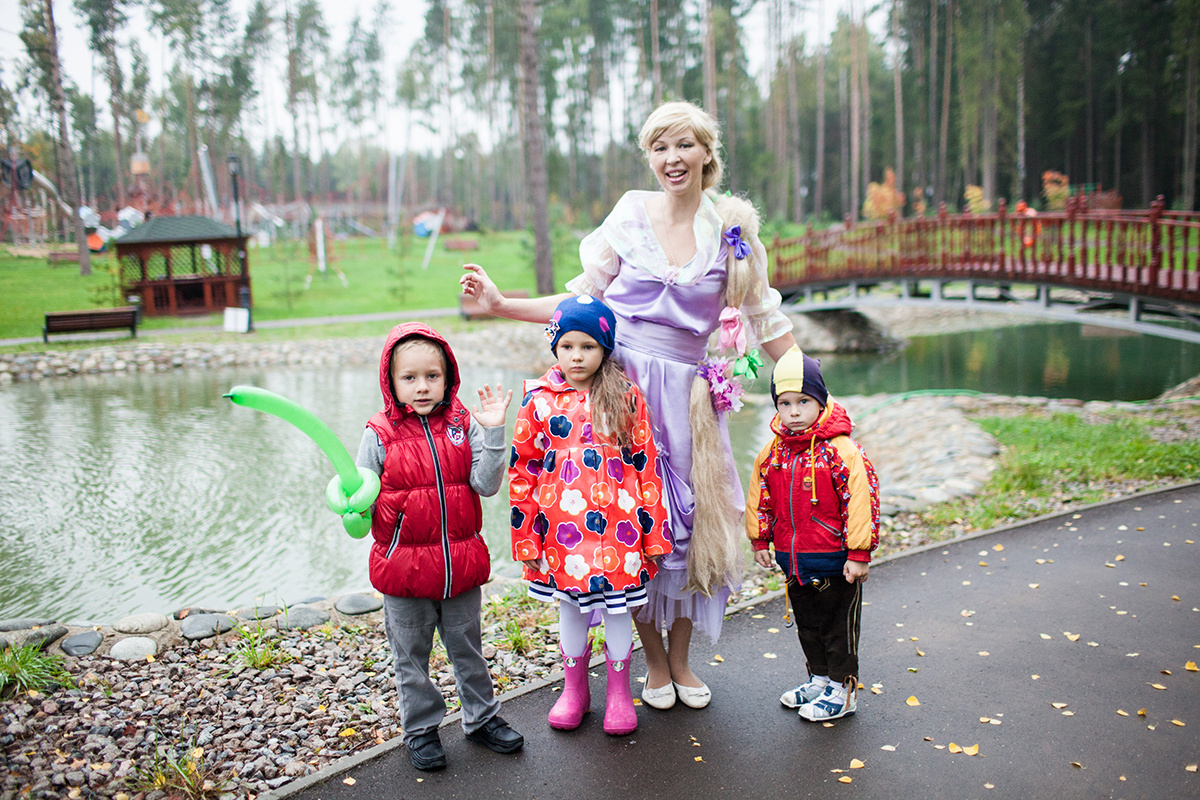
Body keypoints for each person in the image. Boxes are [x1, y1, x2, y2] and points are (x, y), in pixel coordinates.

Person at [460, 100, 798, 710]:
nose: (672, 159)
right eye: (660, 148)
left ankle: (684, 662)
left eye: (684, 146)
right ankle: (654, 664)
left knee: (693, 527)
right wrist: (501, 303)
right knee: (629, 524)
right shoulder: (629, 215)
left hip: (691, 397)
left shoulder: (731, 230)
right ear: (650, 156)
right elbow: (581, 305)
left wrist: (807, 382)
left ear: (706, 153)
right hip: (619, 392)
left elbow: (764, 317)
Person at [333, 322, 523, 771]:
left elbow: (486, 485)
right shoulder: (378, 434)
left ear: (448, 376)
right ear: (391, 382)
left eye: (431, 376)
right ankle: (420, 730)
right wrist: (351, 508)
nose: (422, 387)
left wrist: (494, 432)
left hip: (460, 565)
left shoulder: (462, 423)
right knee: (411, 658)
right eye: (410, 378)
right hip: (404, 571)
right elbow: (361, 496)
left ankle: (482, 720)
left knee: (468, 650)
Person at [510, 295, 672, 735]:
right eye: (567, 346)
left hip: (619, 533)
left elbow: (645, 465)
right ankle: (574, 690)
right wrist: (525, 539)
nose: (576, 356)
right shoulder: (539, 400)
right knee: (570, 610)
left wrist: (653, 534)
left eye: (587, 346)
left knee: (618, 612)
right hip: (561, 534)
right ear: (555, 348)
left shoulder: (625, 397)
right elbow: (522, 470)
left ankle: (619, 693)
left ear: (605, 349)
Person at [744, 347, 880, 721]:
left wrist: (858, 552)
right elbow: (761, 496)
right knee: (808, 626)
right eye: (784, 403)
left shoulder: (841, 452)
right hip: (795, 560)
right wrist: (760, 538)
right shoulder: (774, 452)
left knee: (838, 628)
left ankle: (843, 688)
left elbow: (862, 500)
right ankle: (819, 679)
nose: (793, 412)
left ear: (820, 401)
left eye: (803, 401)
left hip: (837, 561)